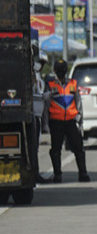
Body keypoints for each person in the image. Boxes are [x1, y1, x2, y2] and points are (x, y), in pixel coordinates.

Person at [45, 59, 90, 183]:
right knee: (56, 149)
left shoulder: (73, 84)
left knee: (78, 148)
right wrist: (46, 123)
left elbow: (78, 102)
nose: (61, 71)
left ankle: (83, 173)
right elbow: (46, 105)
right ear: (54, 70)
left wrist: (79, 120)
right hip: (56, 121)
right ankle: (57, 174)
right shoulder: (50, 85)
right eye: (59, 69)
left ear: (66, 70)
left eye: (63, 69)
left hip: (71, 120)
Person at [30, 46, 49, 183]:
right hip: (33, 115)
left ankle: (35, 173)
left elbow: (40, 95)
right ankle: (34, 173)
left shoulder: (37, 76)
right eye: (40, 63)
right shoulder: (30, 75)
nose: (41, 66)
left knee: (34, 147)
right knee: (32, 147)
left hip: (37, 115)